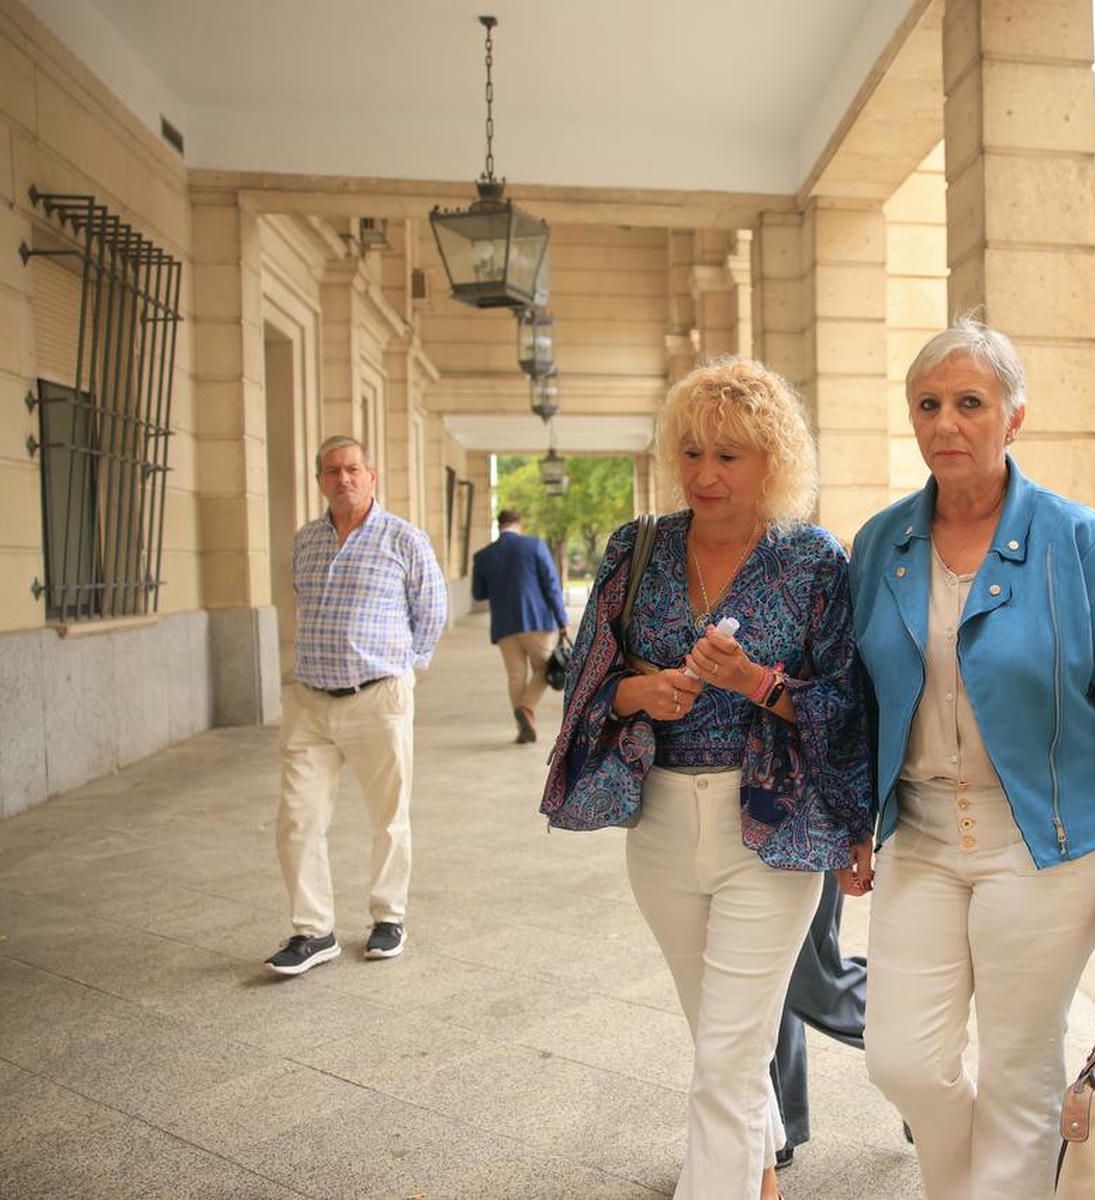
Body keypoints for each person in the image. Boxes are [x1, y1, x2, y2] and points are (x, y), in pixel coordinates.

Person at [846, 318, 1095, 1199]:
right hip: (919, 836)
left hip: (1048, 843)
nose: (946, 423)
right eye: (928, 405)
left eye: (969, 402)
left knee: (1020, 1071)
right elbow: (858, 704)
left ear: (1013, 416)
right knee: (902, 1060)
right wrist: (849, 823)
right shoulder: (880, 544)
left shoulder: (1077, 540)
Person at [540, 358, 871, 1200]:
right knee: (719, 1036)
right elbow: (584, 680)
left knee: (725, 1055)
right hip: (658, 825)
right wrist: (637, 693)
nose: (705, 474)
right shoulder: (637, 547)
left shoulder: (812, 560)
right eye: (691, 453)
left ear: (772, 461)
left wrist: (757, 683)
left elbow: (846, 704)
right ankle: (758, 1173)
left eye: (729, 456)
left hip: (773, 827)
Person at [265, 435, 447, 976]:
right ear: (319, 481)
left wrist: (404, 672)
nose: (342, 478)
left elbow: (432, 611)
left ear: (371, 475)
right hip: (309, 702)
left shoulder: (404, 538)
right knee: (296, 819)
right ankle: (312, 931)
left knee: (388, 818)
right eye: (331, 471)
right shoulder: (305, 541)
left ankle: (388, 917)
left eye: (351, 469)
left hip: (377, 696)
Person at [768, 875, 868, 1170]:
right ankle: (775, 1125)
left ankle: (913, 1034)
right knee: (769, 983)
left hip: (803, 852)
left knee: (813, 977)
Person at [470, 508, 569, 743]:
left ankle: (523, 727)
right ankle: (527, 708)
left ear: (499, 526)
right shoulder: (534, 546)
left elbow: (478, 593)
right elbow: (551, 584)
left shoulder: (483, 556)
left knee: (516, 676)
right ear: (519, 525)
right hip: (537, 621)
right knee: (545, 669)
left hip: (504, 624)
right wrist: (562, 620)